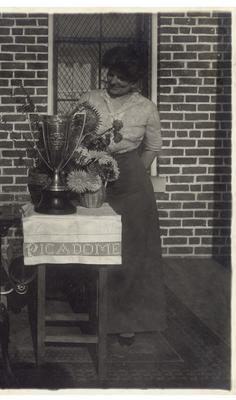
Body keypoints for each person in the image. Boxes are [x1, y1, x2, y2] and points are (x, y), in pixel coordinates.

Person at [77, 45, 166, 346]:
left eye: (121, 78)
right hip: (89, 171)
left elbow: (153, 146)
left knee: (131, 249)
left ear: (136, 82)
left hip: (130, 177)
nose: (112, 81)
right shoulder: (89, 99)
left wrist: (131, 172)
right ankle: (94, 315)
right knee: (92, 244)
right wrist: (91, 165)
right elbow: (72, 135)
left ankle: (125, 321)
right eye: (110, 73)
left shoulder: (146, 107)